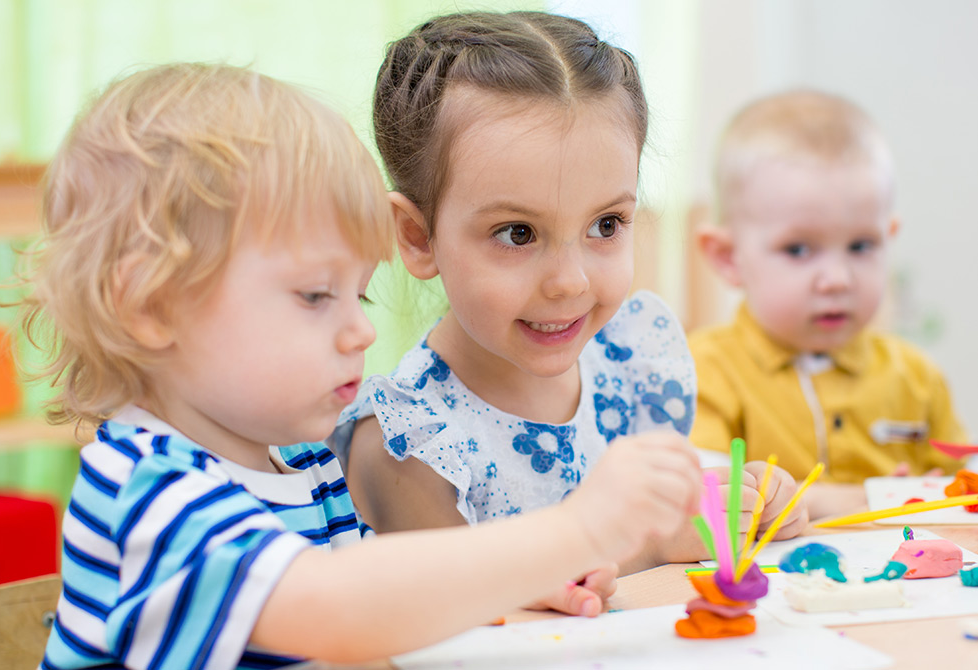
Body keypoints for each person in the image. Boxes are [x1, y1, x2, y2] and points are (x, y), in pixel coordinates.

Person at [23, 62, 705, 670]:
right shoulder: (152, 491)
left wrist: (515, 584)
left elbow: (382, 614)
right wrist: (575, 530)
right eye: (316, 295)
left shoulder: (299, 465)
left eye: (360, 292)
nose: (361, 330)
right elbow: (335, 611)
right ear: (151, 305)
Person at [332, 10, 808, 577]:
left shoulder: (629, 362)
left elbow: (681, 512)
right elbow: (463, 624)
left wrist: (746, 498)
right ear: (417, 236)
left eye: (606, 225)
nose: (571, 282)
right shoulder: (409, 442)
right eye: (518, 234)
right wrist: (653, 545)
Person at [690, 89, 968, 518]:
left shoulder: (918, 379)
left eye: (861, 246)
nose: (838, 279)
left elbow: (959, 498)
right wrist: (853, 499)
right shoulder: (700, 373)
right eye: (799, 250)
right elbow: (707, 505)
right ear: (729, 258)